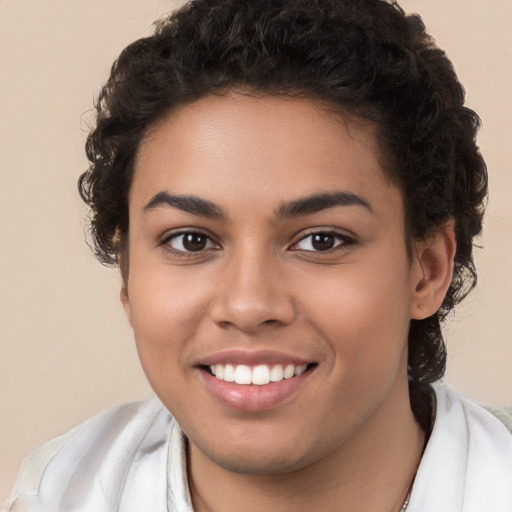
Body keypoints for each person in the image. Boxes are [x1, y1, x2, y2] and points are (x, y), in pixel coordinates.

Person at [3, 0, 511, 511]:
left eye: (321, 240)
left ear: (427, 271)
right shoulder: (58, 495)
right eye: (191, 240)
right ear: (128, 277)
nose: (248, 305)